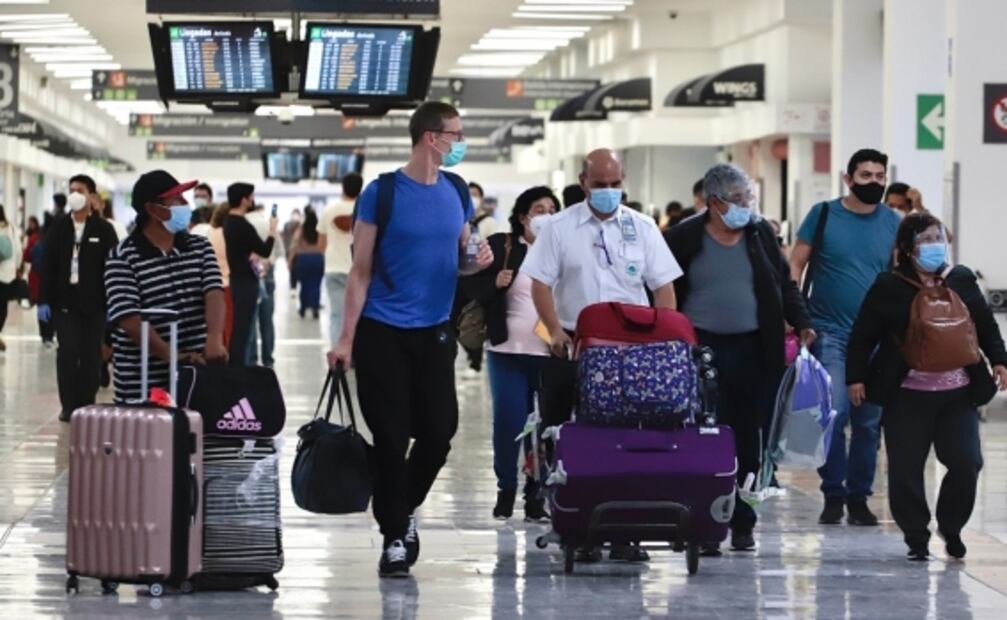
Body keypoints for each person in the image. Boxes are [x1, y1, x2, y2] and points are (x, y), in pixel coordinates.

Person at [326, 101, 493, 578]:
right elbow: (360, 273)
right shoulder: (382, 193)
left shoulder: (457, 189)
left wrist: (474, 262)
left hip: (435, 332)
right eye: (455, 134)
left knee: (439, 433)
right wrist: (344, 339)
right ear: (429, 137)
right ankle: (395, 536)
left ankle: (397, 507)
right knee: (392, 435)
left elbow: (460, 256)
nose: (460, 142)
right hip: (382, 333)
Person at [523, 148, 683, 563]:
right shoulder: (559, 228)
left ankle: (625, 532)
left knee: (628, 441)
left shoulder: (643, 228)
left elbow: (663, 286)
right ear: (583, 182)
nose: (609, 192)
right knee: (571, 439)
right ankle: (578, 527)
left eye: (615, 185)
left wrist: (664, 337)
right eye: (600, 185)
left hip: (632, 352)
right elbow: (540, 283)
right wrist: (556, 332)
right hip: (574, 345)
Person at [665, 164, 814, 553]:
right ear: (714, 203)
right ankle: (704, 522)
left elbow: (784, 283)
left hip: (754, 349)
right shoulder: (682, 238)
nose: (748, 207)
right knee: (705, 437)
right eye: (740, 200)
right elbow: (662, 288)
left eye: (750, 198)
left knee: (750, 439)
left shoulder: (759, 233)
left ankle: (743, 520)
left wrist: (801, 321)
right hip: (701, 350)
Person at [846, 212, 1007, 561]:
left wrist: (999, 359)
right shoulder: (889, 286)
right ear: (907, 248)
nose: (936, 246)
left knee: (967, 462)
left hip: (958, 393)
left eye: (939, 239)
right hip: (907, 395)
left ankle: (951, 527)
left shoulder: (961, 279)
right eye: (926, 240)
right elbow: (863, 335)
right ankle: (916, 535)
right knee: (905, 469)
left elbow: (984, 324)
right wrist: (855, 377)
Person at [789, 148, 901, 526]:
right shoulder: (823, 215)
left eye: (880, 176)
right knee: (834, 415)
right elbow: (797, 263)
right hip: (830, 332)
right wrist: (794, 314)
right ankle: (833, 492)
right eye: (866, 175)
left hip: (877, 338)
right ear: (848, 178)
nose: (874, 182)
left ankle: (858, 496)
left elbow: (899, 275)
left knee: (869, 423)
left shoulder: (894, 222)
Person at [459, 186, 559, 522]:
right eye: (539, 209)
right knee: (509, 421)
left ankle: (537, 492)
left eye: (552, 209)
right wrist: (495, 284)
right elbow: (471, 290)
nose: (546, 215)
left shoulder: (564, 251)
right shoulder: (503, 246)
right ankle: (506, 486)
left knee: (544, 426)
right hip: (506, 349)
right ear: (523, 216)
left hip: (550, 352)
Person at [104, 170, 227, 403]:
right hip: (141, 383)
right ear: (153, 209)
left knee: (194, 434)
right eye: (177, 199)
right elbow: (130, 320)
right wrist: (175, 358)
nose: (185, 204)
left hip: (195, 377)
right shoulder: (122, 257)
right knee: (145, 438)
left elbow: (214, 293)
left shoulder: (200, 247)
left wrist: (214, 338)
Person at [38, 175, 118, 420]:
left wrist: (113, 301)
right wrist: (43, 299)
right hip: (65, 301)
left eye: (79, 190)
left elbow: (113, 266)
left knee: (91, 354)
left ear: (91, 196)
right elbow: (47, 265)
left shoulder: (103, 230)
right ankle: (69, 405)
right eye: (71, 190)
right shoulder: (59, 227)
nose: (74, 194)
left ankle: (86, 403)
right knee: (68, 352)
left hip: (94, 303)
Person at [223, 182, 278, 366]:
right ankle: (238, 368)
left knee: (240, 328)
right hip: (247, 282)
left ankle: (238, 365)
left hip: (237, 279)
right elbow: (265, 250)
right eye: (251, 197)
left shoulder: (228, 222)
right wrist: (272, 229)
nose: (253, 200)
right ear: (243, 199)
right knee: (243, 330)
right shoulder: (241, 225)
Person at [321, 172, 363, 345]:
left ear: (342, 187)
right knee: (359, 315)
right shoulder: (366, 209)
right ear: (361, 188)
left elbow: (321, 244)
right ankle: (356, 355)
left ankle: (337, 357)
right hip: (360, 271)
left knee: (338, 314)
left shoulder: (329, 210)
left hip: (334, 269)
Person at [246, 204, 281, 367]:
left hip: (249, 273)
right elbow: (279, 251)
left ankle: (252, 360)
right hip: (268, 273)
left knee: (250, 320)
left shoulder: (244, 223)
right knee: (267, 320)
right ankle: (268, 359)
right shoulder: (269, 224)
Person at [289, 207, 325, 319]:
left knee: (304, 284)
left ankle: (303, 309)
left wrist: (290, 260)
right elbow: (324, 244)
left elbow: (294, 245)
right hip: (317, 258)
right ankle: (315, 308)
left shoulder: (302, 229)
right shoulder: (319, 230)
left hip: (303, 259)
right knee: (316, 284)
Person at [0, 204, 24, 353]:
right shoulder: (12, 228)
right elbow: (18, 250)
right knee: (2, 307)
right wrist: (17, 267)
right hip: (7, 275)